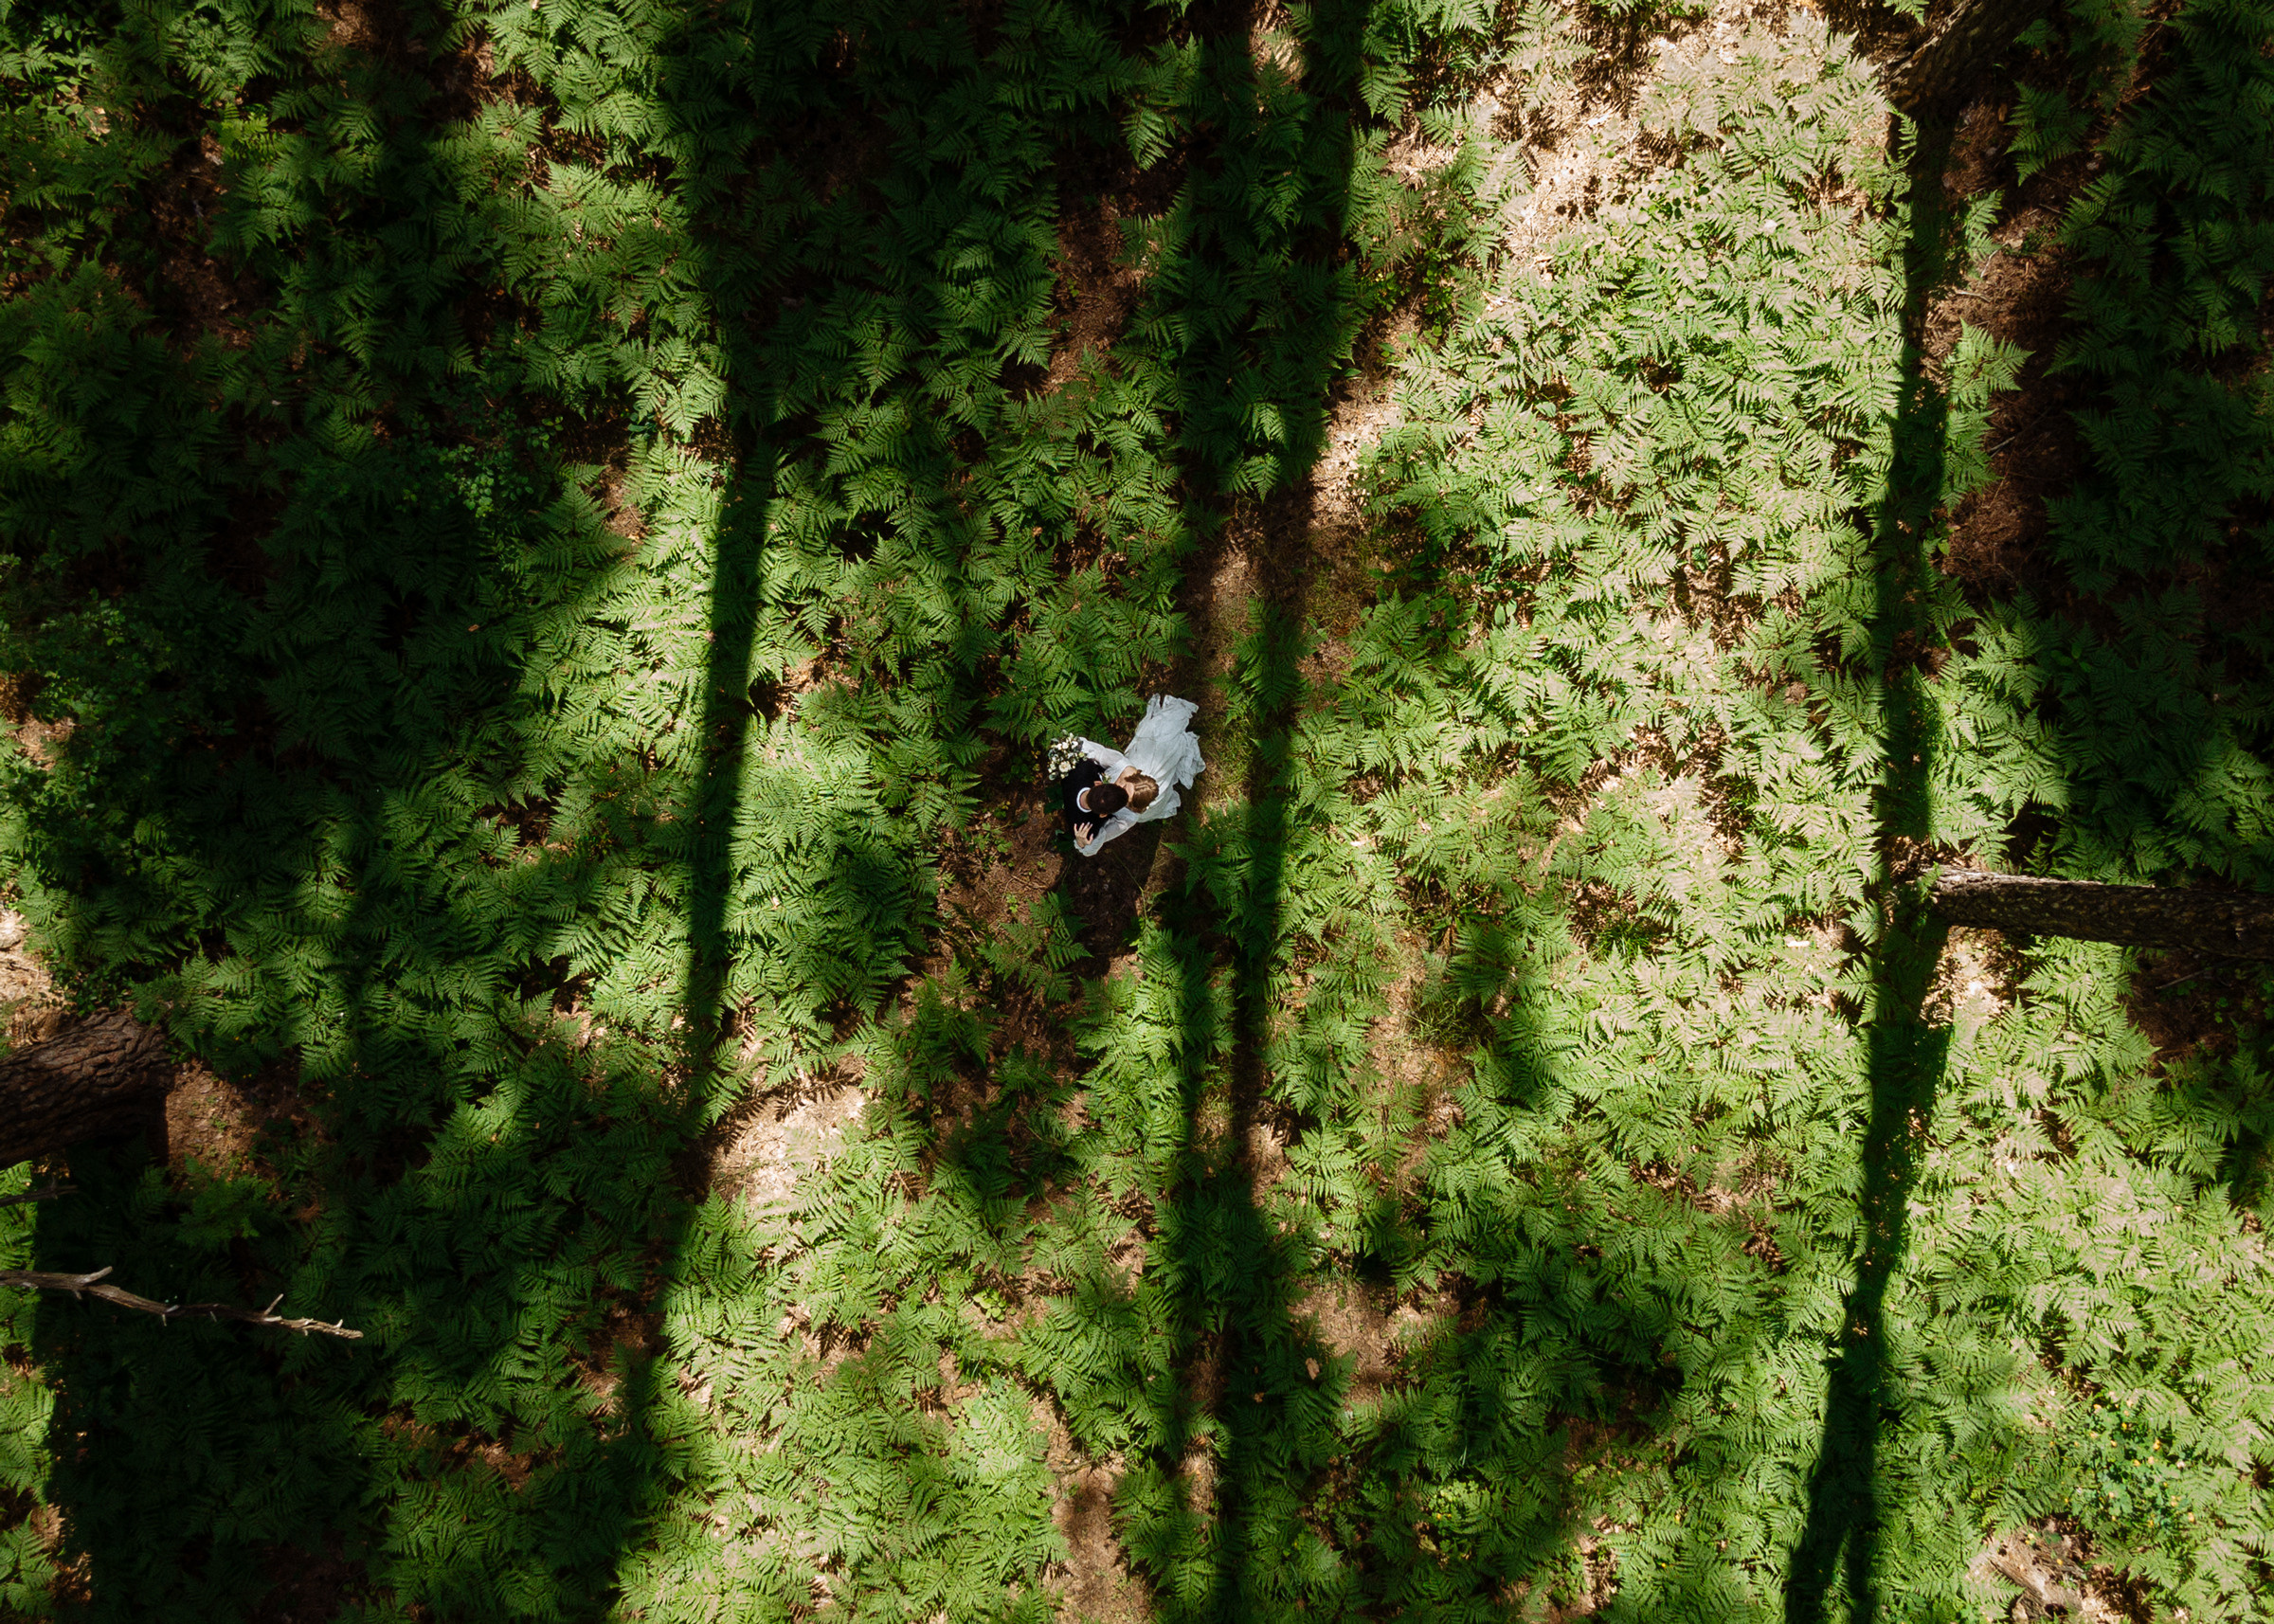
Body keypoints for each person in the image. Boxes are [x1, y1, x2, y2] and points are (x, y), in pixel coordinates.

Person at [1051, 695, 1206, 857]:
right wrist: (1068, 749)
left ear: (1131, 807)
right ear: (1131, 776)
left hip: (1131, 797)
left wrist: (1082, 842)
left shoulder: (1129, 818)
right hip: (1145, 758)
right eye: (1124, 786)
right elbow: (1098, 752)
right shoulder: (1121, 764)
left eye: (1126, 799)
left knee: (1166, 770)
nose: (1119, 790)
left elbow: (1099, 839)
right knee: (1160, 741)